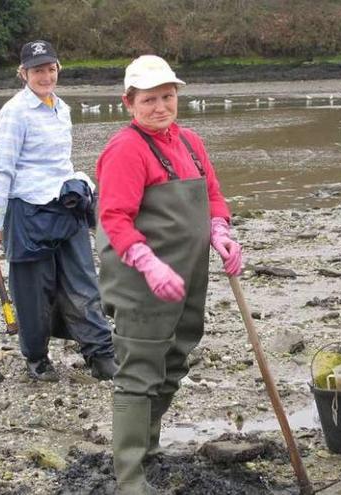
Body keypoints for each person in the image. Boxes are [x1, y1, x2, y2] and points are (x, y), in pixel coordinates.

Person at [95, 55, 243, 494]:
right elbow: (115, 218)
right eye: (149, 100)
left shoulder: (192, 142)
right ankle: (129, 479)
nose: (160, 107)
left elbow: (213, 197)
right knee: (138, 372)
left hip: (188, 274)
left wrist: (221, 233)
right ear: (129, 103)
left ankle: (149, 446)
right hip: (141, 278)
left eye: (167, 97)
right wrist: (148, 262)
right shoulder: (125, 149)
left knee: (174, 360)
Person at [0, 40, 116, 382]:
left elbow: (61, 163)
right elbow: (3, 169)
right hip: (27, 213)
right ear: (23, 73)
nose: (45, 76)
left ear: (58, 70)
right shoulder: (14, 112)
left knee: (83, 283)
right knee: (32, 292)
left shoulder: (62, 108)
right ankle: (37, 359)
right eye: (38, 70)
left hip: (63, 207)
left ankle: (100, 354)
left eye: (50, 68)